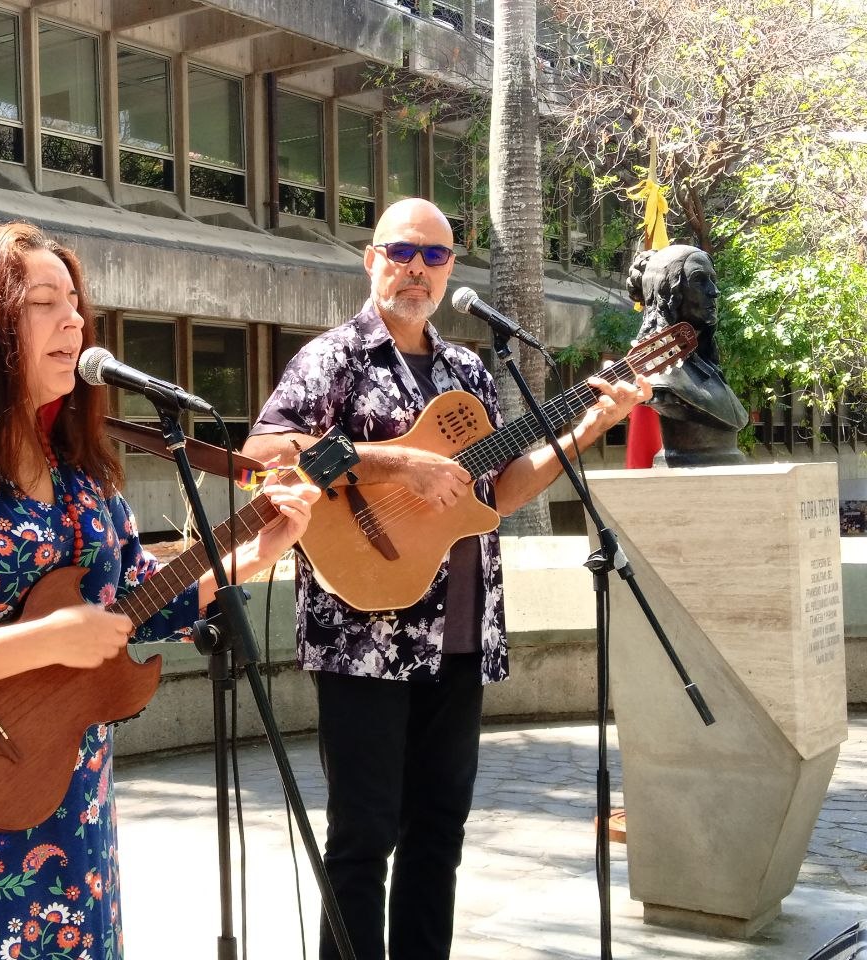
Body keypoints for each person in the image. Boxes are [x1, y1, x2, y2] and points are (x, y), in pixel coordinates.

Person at [0, 222, 319, 960]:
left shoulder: (83, 482)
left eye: (75, 303)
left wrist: (245, 557)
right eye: (42, 302)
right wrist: (41, 641)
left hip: (69, 812)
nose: (73, 320)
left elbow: (130, 600)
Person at [241, 198, 651, 960]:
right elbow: (265, 454)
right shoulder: (333, 358)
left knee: (438, 834)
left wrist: (591, 423)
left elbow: (492, 493)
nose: (416, 270)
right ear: (371, 258)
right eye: (401, 251)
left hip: (460, 635)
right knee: (363, 838)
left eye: (433, 257)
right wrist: (396, 460)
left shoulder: (469, 370)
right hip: (363, 632)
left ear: (451, 269)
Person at [628, 244, 748, 466]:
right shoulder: (660, 379)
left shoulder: (707, 367)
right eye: (699, 280)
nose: (714, 291)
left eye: (713, 280)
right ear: (668, 294)